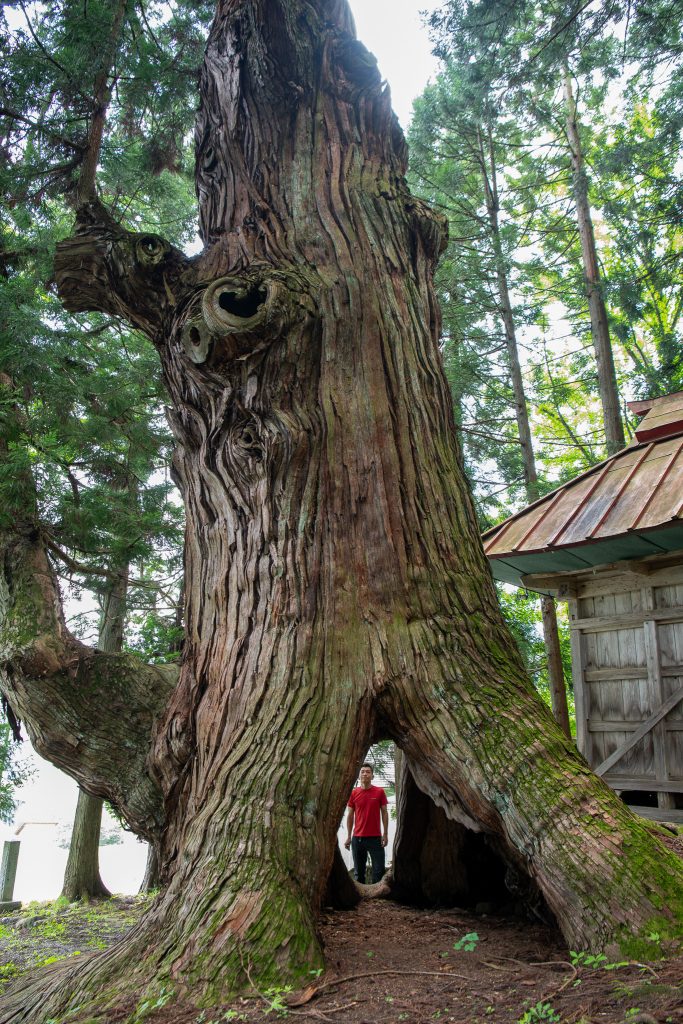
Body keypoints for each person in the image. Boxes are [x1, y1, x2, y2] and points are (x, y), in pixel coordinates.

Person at [344, 763, 389, 885]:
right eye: (362, 771)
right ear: (359, 776)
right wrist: (348, 836)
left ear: (372, 776)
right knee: (359, 872)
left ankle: (378, 899)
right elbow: (350, 816)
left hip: (376, 839)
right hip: (358, 839)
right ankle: (361, 901)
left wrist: (385, 834)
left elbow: (384, 813)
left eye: (368, 771)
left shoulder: (379, 792)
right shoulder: (353, 793)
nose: (365, 773)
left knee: (379, 871)